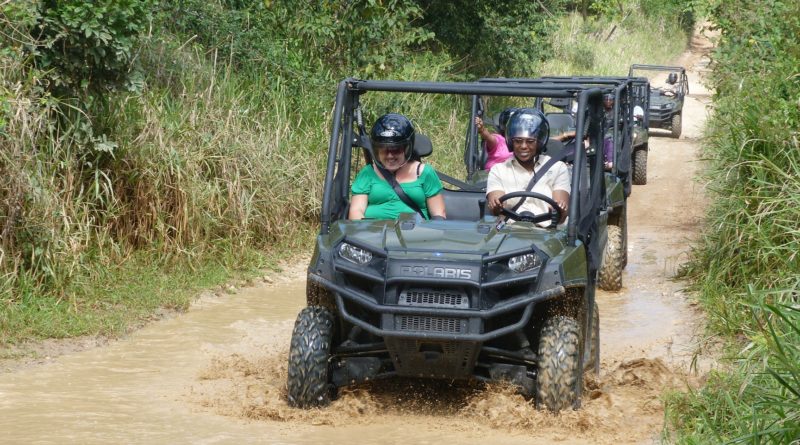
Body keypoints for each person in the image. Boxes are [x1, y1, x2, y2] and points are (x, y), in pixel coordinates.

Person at [348, 113, 446, 220]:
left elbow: (439, 214)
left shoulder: (425, 173)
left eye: (396, 149)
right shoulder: (367, 173)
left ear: (406, 149)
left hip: (416, 234)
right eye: (384, 150)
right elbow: (356, 211)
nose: (390, 155)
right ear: (377, 151)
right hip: (375, 233)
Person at [486, 108, 570, 226]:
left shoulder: (557, 168)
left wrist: (559, 209)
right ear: (511, 142)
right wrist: (496, 205)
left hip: (548, 233)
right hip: (511, 232)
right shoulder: (499, 170)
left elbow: (562, 214)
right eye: (518, 141)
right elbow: (496, 206)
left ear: (540, 142)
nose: (523, 146)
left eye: (530, 141)